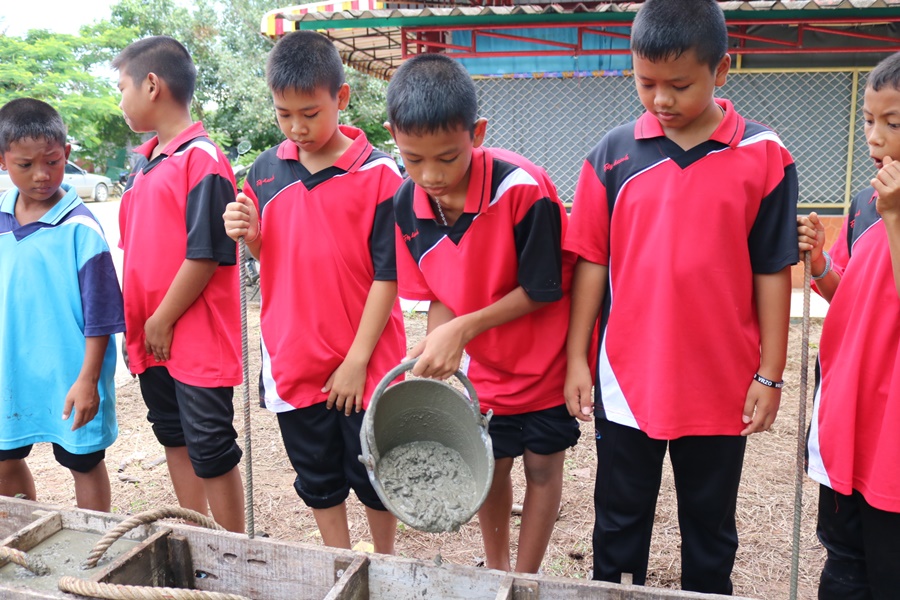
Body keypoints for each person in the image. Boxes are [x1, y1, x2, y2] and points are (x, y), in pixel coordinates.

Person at [564, 0, 799, 592]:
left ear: (721, 71)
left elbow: (773, 269)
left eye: (680, 84)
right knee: (618, 522)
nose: (661, 99)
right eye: (646, 83)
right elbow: (592, 261)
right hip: (627, 378)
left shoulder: (765, 155)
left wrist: (770, 373)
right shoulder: (612, 154)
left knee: (710, 526)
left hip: (722, 381)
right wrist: (576, 359)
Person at [386, 53, 579, 574]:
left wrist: (461, 329)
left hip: (544, 363)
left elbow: (543, 289)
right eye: (412, 159)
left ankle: (526, 577)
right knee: (490, 468)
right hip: (484, 375)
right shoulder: (405, 206)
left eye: (448, 158)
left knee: (542, 468)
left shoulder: (522, 189)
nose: (431, 175)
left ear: (477, 133)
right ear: (393, 138)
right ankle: (496, 572)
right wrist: (437, 349)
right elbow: (439, 292)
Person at [222, 31, 406, 554]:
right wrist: (250, 235)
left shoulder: (380, 174)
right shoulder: (264, 172)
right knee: (317, 475)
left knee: (375, 471)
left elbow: (388, 275)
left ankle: (385, 561)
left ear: (341, 98)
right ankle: (338, 561)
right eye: (284, 114)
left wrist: (357, 361)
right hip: (294, 357)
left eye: (310, 113)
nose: (297, 128)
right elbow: (272, 255)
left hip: (365, 362)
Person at [113, 36, 245, 532]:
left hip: (193, 335)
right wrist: (143, 325)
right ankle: (195, 533)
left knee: (211, 446)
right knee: (172, 434)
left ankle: (233, 547)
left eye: (122, 88)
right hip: (151, 336)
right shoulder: (143, 164)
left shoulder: (201, 158)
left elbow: (206, 253)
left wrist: (162, 319)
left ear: (152, 85)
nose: (120, 101)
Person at [798, 51, 900, 600]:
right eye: (868, 120)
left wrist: (895, 216)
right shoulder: (865, 202)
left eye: (893, 123)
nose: (875, 137)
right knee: (843, 562)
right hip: (850, 410)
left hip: (893, 429)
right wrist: (820, 265)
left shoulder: (888, 206)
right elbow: (852, 295)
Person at [0, 98, 124, 512]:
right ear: (3, 160)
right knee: (5, 459)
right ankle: (21, 531)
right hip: (10, 371)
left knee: (82, 462)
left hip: (71, 373)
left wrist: (88, 380)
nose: (41, 174)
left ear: (66, 154)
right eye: (25, 164)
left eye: (52, 162)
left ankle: (94, 543)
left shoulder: (81, 229)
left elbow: (102, 318)